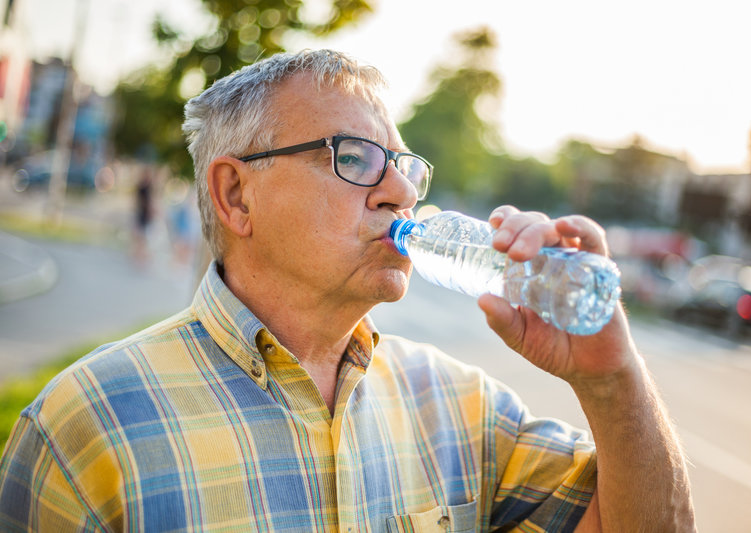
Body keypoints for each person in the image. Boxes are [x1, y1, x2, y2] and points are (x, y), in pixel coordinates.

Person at [0, 50, 695, 532]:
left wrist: (611, 377)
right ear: (237, 194)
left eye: (403, 164)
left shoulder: (462, 410)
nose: (400, 191)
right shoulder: (84, 430)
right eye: (354, 158)